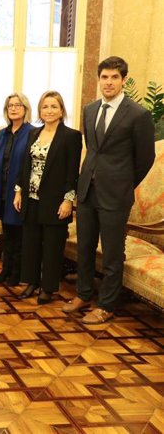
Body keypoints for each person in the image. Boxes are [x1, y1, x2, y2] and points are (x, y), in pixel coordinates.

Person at [64, 56, 155, 323]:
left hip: (116, 195)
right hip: (87, 190)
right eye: (104, 77)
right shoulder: (90, 109)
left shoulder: (138, 114)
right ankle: (83, 294)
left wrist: (124, 183)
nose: (109, 82)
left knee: (113, 253)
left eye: (115, 77)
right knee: (85, 247)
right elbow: (92, 150)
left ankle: (106, 305)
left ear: (123, 80)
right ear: (98, 79)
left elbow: (145, 158)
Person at [13, 91, 82, 304]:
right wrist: (19, 191)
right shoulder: (34, 133)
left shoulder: (71, 136)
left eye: (54, 106)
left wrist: (68, 200)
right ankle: (31, 282)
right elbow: (25, 165)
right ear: (40, 111)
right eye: (45, 107)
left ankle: (48, 288)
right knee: (31, 243)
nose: (49, 110)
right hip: (31, 198)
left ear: (61, 110)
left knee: (52, 246)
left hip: (56, 201)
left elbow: (72, 172)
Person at [0, 93, 35, 286]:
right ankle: (5, 270)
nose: (13, 108)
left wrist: (21, 190)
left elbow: (30, 165)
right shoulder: (2, 133)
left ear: (25, 108)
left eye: (18, 105)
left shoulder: (33, 132)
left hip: (20, 192)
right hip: (3, 189)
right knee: (7, 232)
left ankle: (17, 273)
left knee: (18, 233)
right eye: (10, 106)